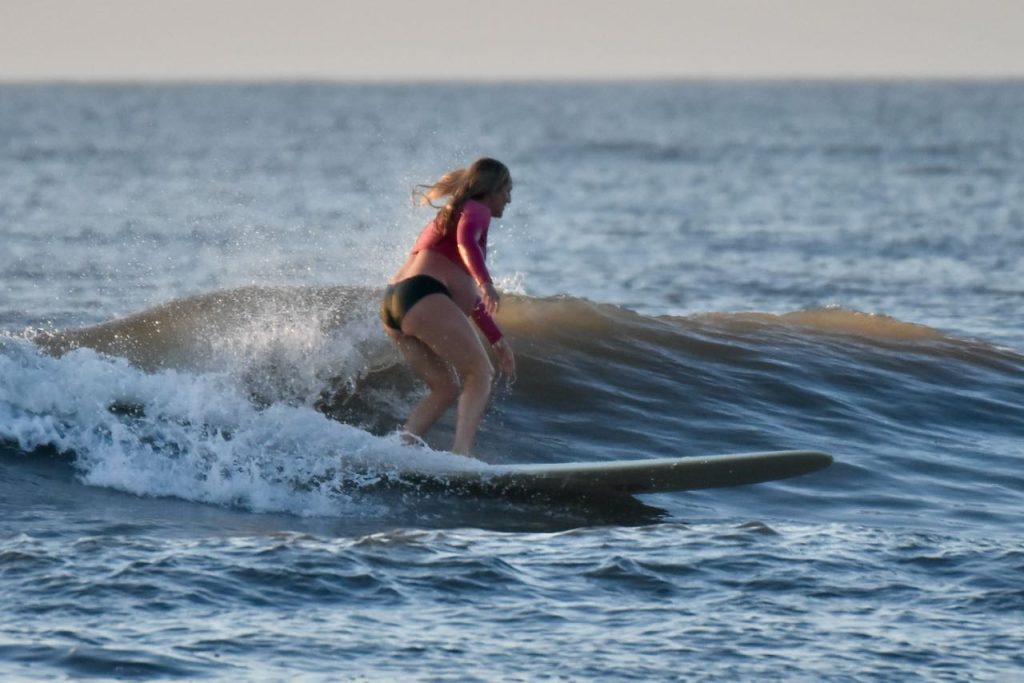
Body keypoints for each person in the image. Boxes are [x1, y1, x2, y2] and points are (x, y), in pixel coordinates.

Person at [380, 158, 516, 456]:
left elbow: (464, 294)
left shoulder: (448, 216)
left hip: (394, 302)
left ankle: (399, 450)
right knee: (480, 373)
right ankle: (462, 454)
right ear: (491, 189)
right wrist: (486, 282)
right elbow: (467, 242)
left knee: (445, 388)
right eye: (506, 190)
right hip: (423, 295)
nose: (508, 199)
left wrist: (497, 338)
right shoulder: (477, 209)